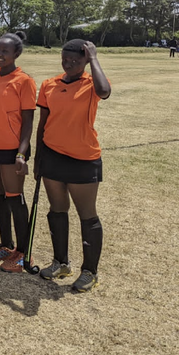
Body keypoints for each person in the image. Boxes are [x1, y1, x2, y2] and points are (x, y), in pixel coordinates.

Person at [35, 39, 111, 293]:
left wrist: (94, 58)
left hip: (83, 159)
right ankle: (61, 263)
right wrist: (38, 158)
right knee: (57, 211)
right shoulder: (50, 84)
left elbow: (105, 91)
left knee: (87, 216)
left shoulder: (91, 84)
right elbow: (43, 123)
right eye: (65, 59)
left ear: (85, 61)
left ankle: (89, 271)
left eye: (75, 61)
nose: (68, 64)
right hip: (52, 156)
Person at [0, 33, 37, 273]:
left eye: (5, 51)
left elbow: (28, 122)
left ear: (16, 54)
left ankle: (22, 252)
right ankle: (5, 245)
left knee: (15, 198)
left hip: (12, 150)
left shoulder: (24, 81)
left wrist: (21, 153)